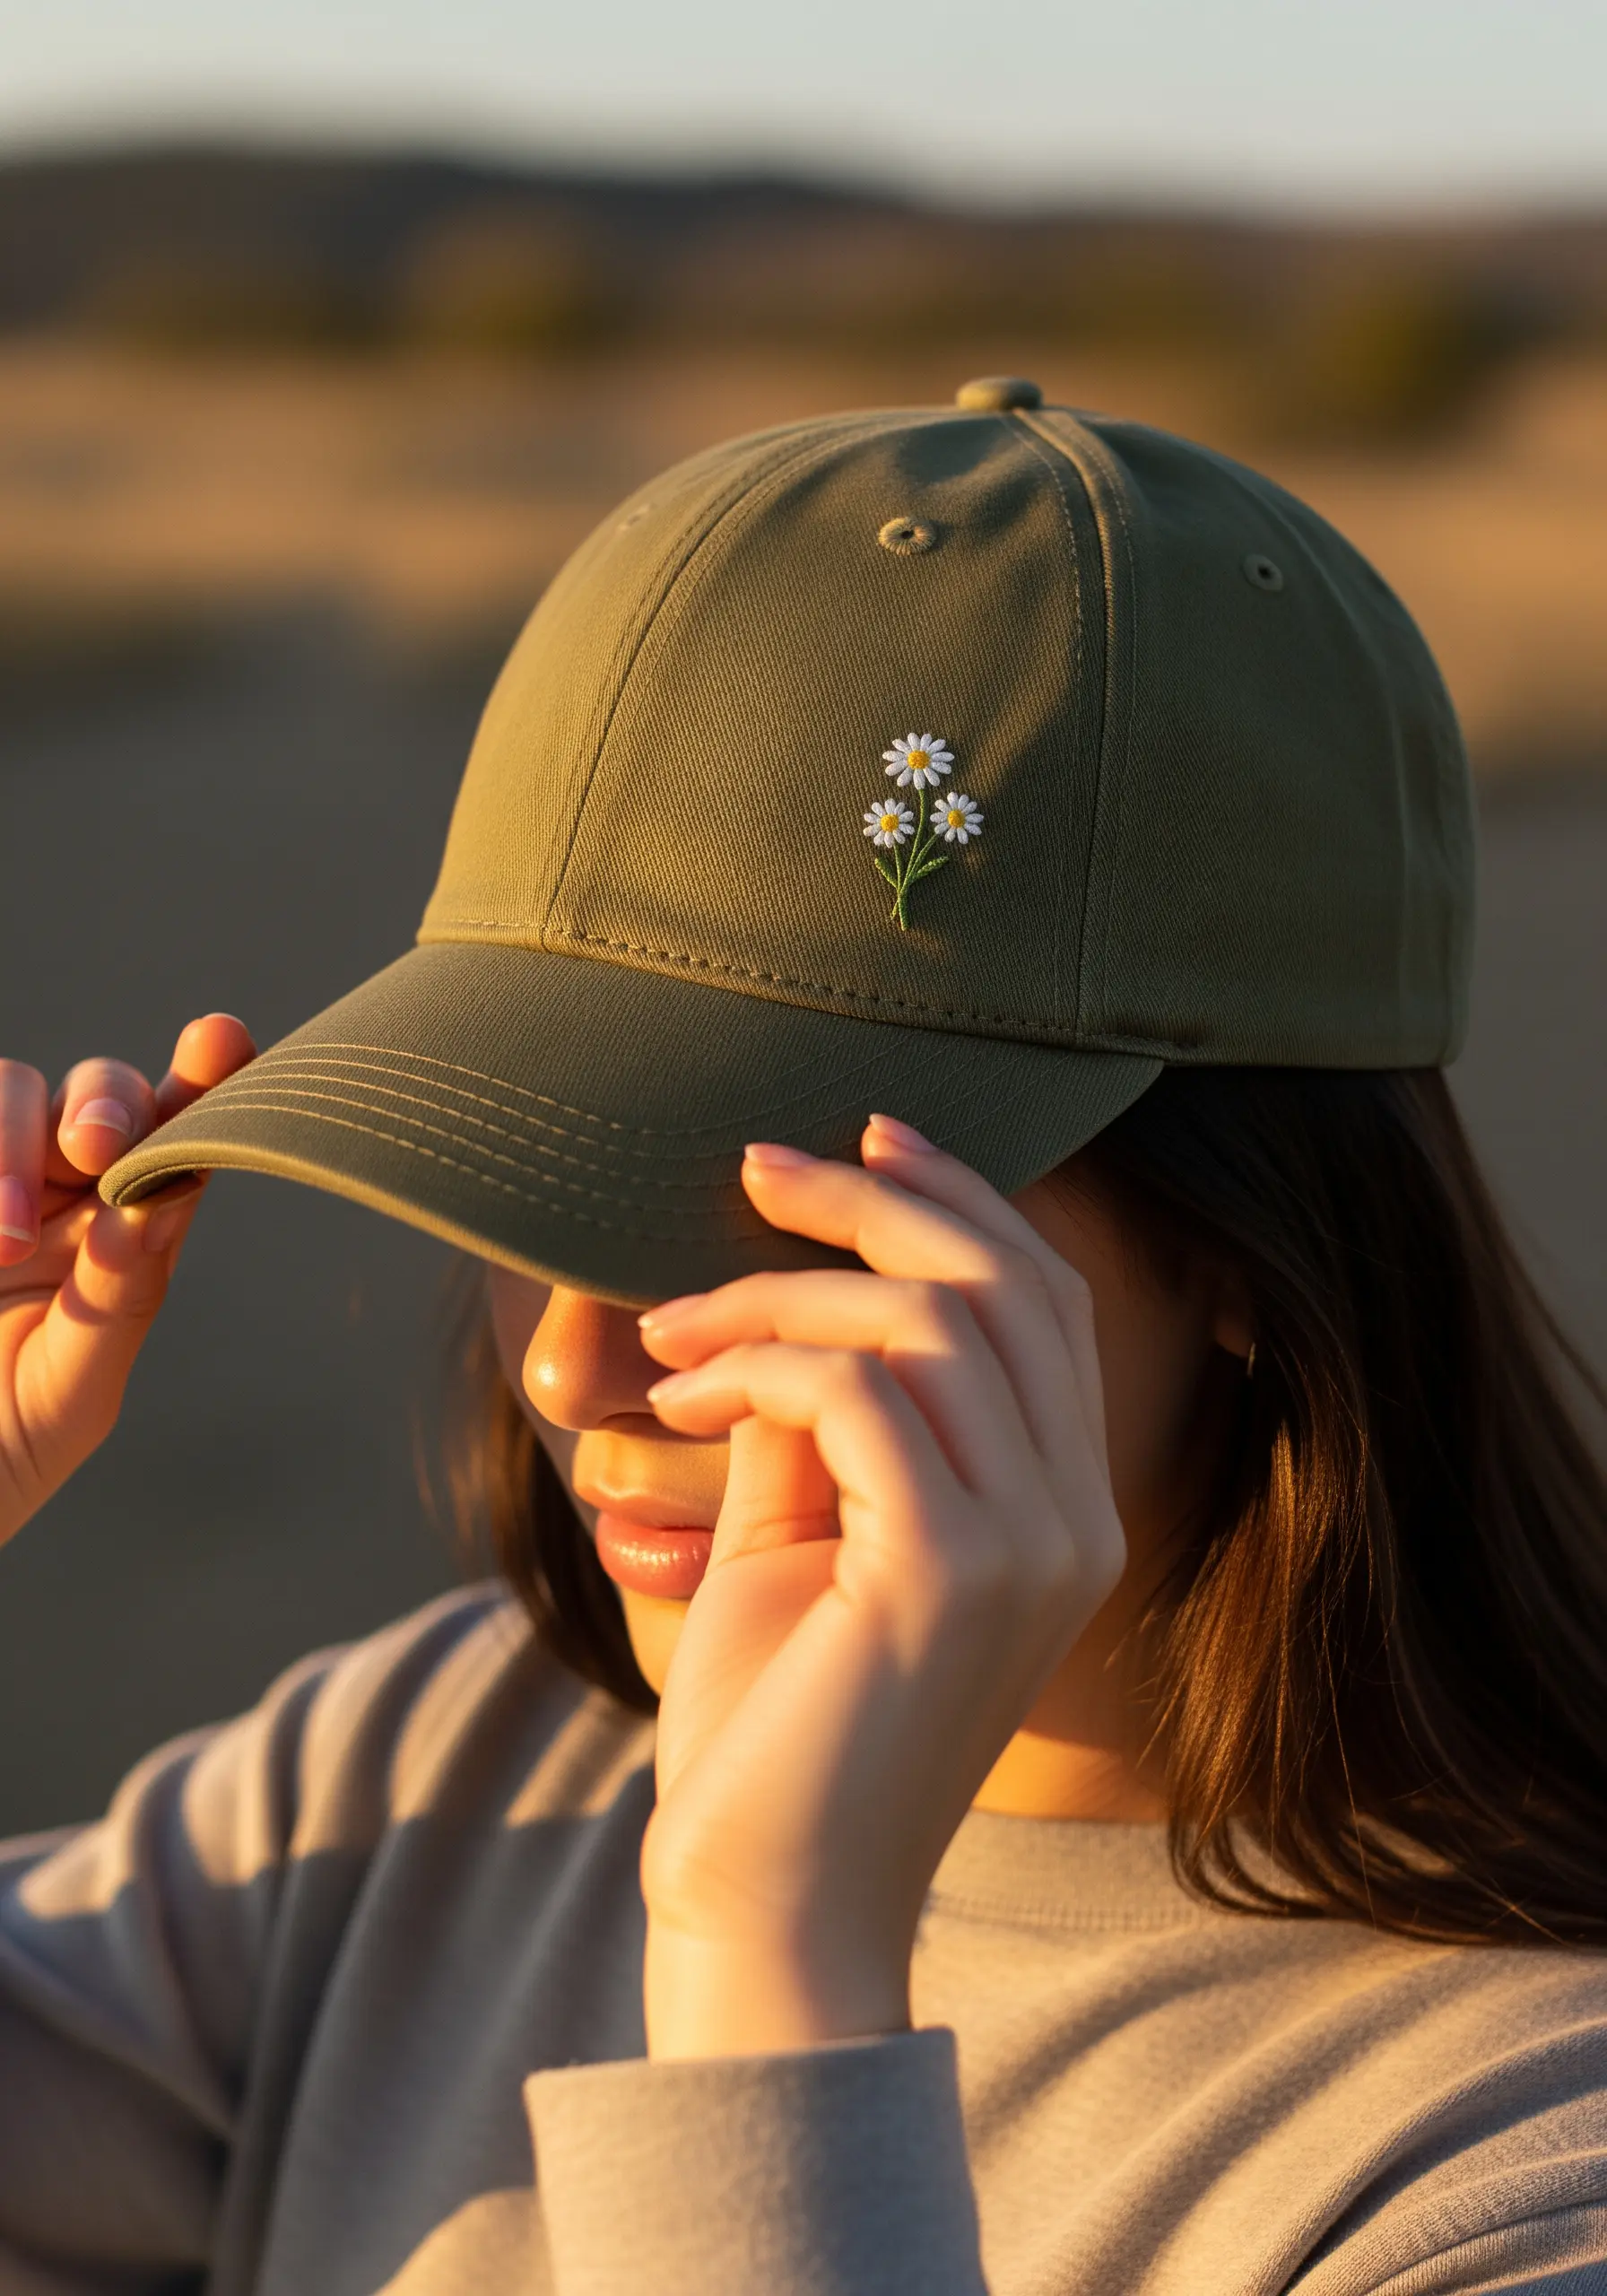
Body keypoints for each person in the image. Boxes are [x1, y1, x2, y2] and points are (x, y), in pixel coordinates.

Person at [0, 375, 1604, 2295]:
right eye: (530, 1177)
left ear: (1253, 1242)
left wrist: (773, 1968)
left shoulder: (1499, 2156)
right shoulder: (443, 1767)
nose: (566, 1372)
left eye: (747, 1214)